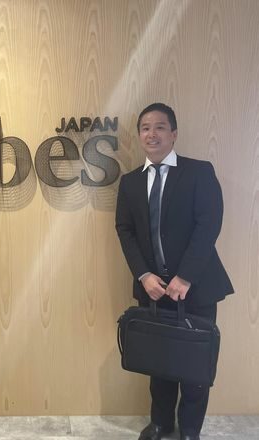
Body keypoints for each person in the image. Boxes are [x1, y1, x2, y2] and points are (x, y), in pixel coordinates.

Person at [115, 103, 234, 440]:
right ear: (139, 135)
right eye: (145, 128)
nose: (151, 134)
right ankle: (160, 423)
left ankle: (190, 430)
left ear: (174, 134)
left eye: (160, 127)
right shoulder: (130, 183)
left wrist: (185, 277)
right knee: (160, 362)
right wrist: (143, 275)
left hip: (196, 287)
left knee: (194, 364)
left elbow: (209, 224)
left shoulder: (198, 172)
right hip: (153, 289)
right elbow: (124, 230)